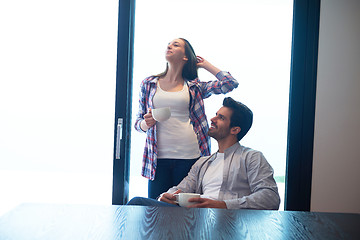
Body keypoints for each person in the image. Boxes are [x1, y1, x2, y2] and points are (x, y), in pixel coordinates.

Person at [128, 97, 280, 209]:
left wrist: (223, 205)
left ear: (235, 129)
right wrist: (167, 196)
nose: (212, 119)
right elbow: (182, 188)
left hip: (232, 220)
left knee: (137, 203)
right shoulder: (203, 162)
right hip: (197, 219)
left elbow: (270, 198)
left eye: (220, 118)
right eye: (215, 114)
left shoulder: (251, 157)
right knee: (138, 206)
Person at [134, 38, 238, 199]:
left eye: (176, 45)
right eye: (169, 44)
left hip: (190, 157)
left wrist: (205, 64)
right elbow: (137, 123)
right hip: (157, 159)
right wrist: (145, 123)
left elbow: (229, 83)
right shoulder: (149, 84)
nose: (169, 46)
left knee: (187, 213)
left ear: (186, 57)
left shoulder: (194, 86)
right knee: (156, 210)